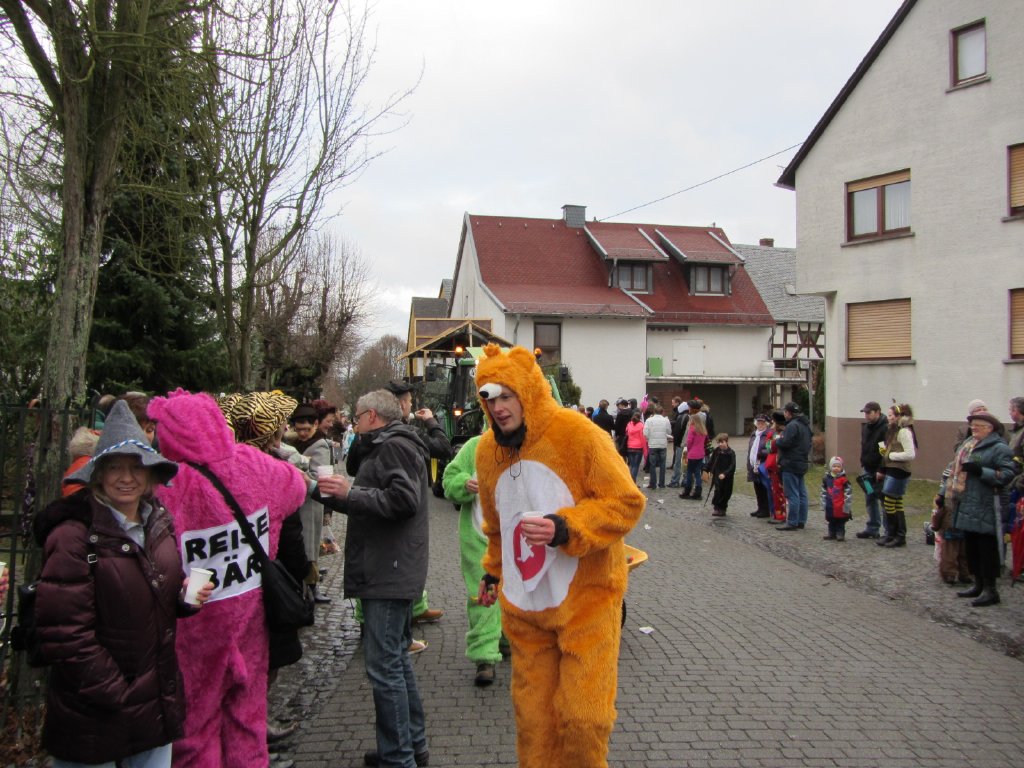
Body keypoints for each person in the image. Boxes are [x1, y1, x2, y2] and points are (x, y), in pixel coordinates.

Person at [472, 344, 645, 768]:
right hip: (527, 609)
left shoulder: (578, 434)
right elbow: (496, 525)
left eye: (507, 395)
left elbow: (626, 502)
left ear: (528, 392)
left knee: (583, 721)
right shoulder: (487, 452)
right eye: (489, 398)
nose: (498, 407)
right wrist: (493, 573)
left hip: (586, 603)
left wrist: (566, 528)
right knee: (535, 725)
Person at [33, 400, 213, 768]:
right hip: (94, 714)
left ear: (150, 474)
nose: (126, 477)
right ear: (98, 474)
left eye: (136, 467)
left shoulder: (158, 522)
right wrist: (119, 693)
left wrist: (183, 598)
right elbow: (65, 634)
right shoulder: (73, 536)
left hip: (153, 707)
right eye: (115, 467)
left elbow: (155, 589)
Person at [148, 390, 307, 768]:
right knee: (248, 721)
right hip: (250, 618)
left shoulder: (167, 486)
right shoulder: (256, 465)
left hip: (195, 631)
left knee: (195, 731)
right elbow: (296, 490)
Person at [317, 390, 431, 768]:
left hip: (389, 569)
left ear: (370, 417)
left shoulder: (394, 446)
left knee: (384, 666)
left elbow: (402, 501)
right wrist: (326, 493)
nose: (354, 421)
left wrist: (351, 492)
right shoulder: (388, 444)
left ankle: (398, 757)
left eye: (357, 415)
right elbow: (371, 499)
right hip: (391, 565)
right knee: (394, 660)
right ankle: (410, 747)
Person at [442, 435, 503, 687]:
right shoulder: (474, 447)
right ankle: (484, 656)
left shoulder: (530, 446)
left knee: (516, 596)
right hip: (480, 537)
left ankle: (506, 638)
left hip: (518, 539)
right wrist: (463, 484)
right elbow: (449, 479)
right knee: (484, 597)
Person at [386, 380, 450, 625]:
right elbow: (443, 447)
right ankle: (402, 627)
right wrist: (431, 421)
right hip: (406, 506)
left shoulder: (373, 431)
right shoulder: (407, 434)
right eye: (410, 401)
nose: (412, 405)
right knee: (405, 562)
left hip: (388, 506)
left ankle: (415, 607)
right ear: (402, 404)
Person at [950, 411, 1017, 606]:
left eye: (978, 425)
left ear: (990, 428)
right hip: (969, 501)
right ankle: (978, 584)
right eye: (972, 425)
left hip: (987, 503)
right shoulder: (970, 445)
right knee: (972, 547)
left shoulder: (999, 448)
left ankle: (990, 589)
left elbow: (1007, 474)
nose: (973, 428)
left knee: (987, 548)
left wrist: (981, 471)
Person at [288, 402, 336, 604]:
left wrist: (295, 466)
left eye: (307, 429)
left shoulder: (320, 445)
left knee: (309, 547)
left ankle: (313, 587)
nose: (302, 433)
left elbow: (320, 478)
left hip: (310, 504)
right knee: (299, 547)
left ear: (315, 425)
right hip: (294, 504)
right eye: (299, 429)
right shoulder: (293, 441)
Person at [876, 403, 917, 548]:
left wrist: (891, 455)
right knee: (896, 501)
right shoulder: (893, 430)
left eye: (891, 415)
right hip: (892, 468)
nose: (888, 418)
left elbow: (910, 453)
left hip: (899, 470)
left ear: (898, 416)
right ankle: (897, 535)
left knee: (889, 500)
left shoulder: (904, 431)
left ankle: (894, 534)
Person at [774, 401, 812, 532]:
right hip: (801, 462)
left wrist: (778, 440)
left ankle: (792, 522)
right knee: (802, 493)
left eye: (785, 411)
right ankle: (801, 520)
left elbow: (785, 442)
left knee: (792, 494)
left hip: (790, 463)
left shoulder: (792, 426)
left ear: (788, 413)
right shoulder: (805, 425)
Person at [855, 401, 889, 539]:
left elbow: (884, 452)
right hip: (867, 470)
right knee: (870, 497)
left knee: (883, 499)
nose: (866, 415)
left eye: (869, 413)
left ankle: (888, 530)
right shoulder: (866, 427)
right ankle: (872, 527)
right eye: (865, 413)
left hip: (879, 471)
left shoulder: (884, 428)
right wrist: (863, 462)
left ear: (878, 412)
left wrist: (881, 469)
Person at [821, 456, 853, 541]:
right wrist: (823, 504)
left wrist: (846, 506)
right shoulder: (826, 479)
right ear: (831, 467)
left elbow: (848, 493)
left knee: (840, 521)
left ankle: (840, 534)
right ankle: (831, 533)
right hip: (830, 504)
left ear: (841, 467)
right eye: (834, 466)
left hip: (840, 505)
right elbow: (823, 492)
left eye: (838, 466)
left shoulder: (844, 480)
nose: (836, 468)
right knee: (831, 520)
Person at [764, 411, 788, 523]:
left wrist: (774, 441)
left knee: (779, 491)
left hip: (777, 465)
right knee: (777, 491)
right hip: (775, 465)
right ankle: (778, 513)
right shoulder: (778, 433)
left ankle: (781, 515)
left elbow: (769, 448)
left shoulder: (776, 434)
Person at [746, 414, 771, 517]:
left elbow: (771, 449)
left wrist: (762, 453)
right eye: (758, 422)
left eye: (762, 423)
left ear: (766, 424)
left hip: (763, 465)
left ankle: (766, 509)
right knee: (757, 488)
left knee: (764, 487)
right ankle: (760, 507)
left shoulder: (769, 434)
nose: (760, 424)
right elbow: (751, 450)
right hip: (754, 465)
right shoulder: (754, 434)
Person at [705, 432, 736, 517]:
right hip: (717, 475)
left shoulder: (731, 453)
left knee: (726, 492)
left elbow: (732, 466)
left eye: (722, 442)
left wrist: (725, 474)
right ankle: (716, 507)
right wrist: (706, 469)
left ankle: (722, 508)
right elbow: (711, 461)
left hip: (727, 477)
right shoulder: (717, 451)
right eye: (719, 442)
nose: (720, 444)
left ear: (726, 442)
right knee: (717, 491)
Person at [679, 409, 707, 500]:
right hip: (701, 453)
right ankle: (698, 491)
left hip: (692, 454)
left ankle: (687, 490)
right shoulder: (703, 430)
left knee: (689, 472)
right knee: (697, 473)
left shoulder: (692, 429)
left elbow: (689, 441)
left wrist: (688, 451)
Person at [643, 403, 672, 489]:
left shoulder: (649, 420)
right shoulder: (666, 420)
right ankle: (661, 483)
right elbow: (669, 432)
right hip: (663, 444)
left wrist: (649, 439)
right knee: (662, 464)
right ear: (662, 412)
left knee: (652, 464)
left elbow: (645, 433)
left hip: (652, 444)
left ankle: (653, 483)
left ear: (653, 412)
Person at [667, 396, 687, 487]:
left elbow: (677, 431)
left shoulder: (681, 417)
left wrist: (675, 441)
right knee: (685, 463)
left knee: (678, 463)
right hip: (687, 443)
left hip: (680, 443)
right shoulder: (690, 417)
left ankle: (675, 481)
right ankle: (685, 480)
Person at [625, 410, 646, 483]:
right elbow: (642, 438)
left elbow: (627, 434)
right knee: (636, 466)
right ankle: (633, 482)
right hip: (638, 447)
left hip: (630, 446)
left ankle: (630, 481)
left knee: (632, 465)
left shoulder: (629, 424)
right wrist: (645, 449)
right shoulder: (641, 426)